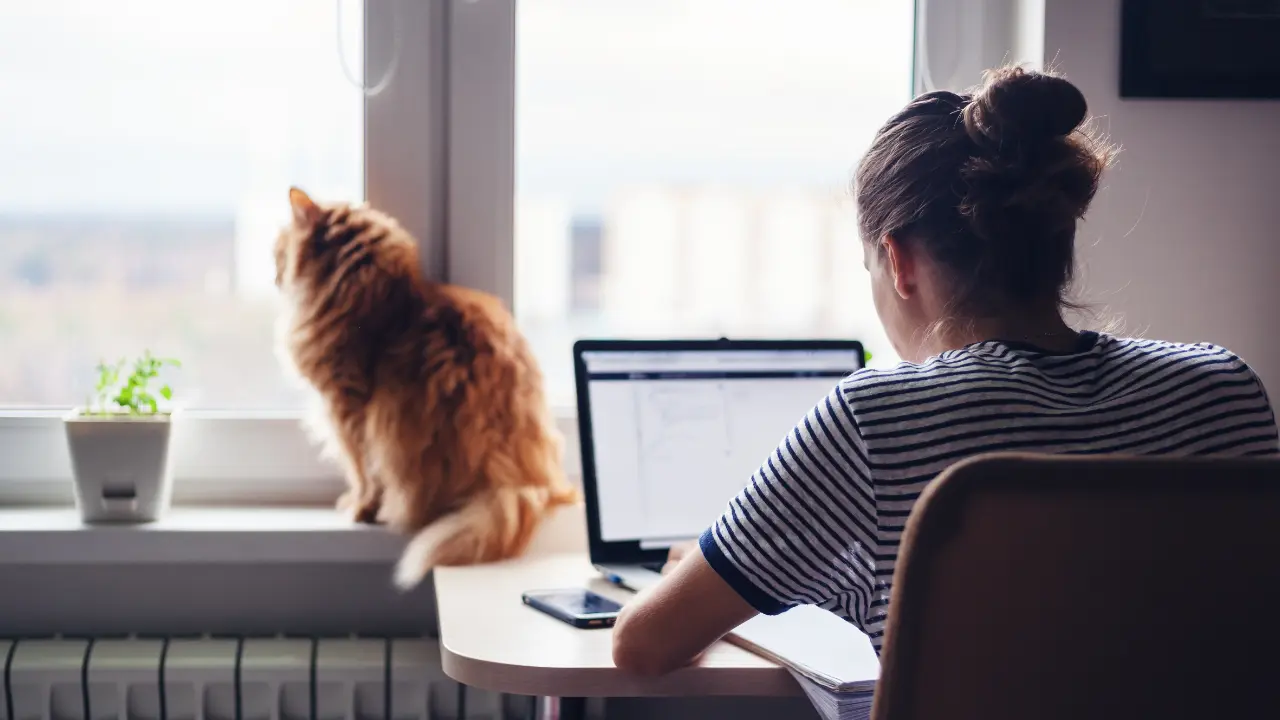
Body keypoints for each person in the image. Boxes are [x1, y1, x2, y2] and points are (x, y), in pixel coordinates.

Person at [610, 67, 1280, 676]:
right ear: (1057, 238)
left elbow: (643, 645)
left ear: (897, 262)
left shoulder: (874, 421)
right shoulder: (1221, 389)